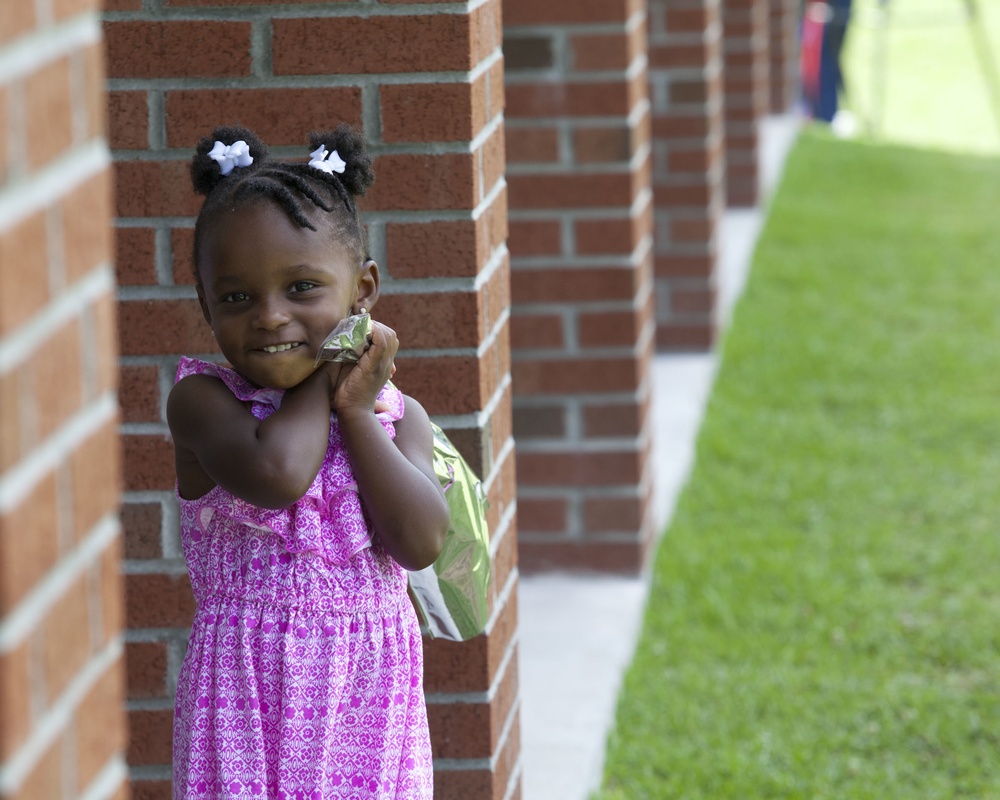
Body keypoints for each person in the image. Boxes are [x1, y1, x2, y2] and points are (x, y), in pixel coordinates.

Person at [166, 123, 450, 799]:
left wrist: (355, 414)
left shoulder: (393, 416)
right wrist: (330, 383)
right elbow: (278, 475)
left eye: (301, 288)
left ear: (362, 290)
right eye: (236, 297)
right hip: (244, 706)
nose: (269, 317)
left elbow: (420, 543)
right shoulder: (203, 402)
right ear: (205, 305)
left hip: (368, 702)